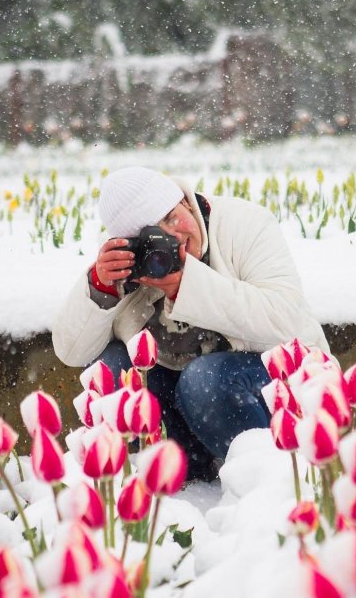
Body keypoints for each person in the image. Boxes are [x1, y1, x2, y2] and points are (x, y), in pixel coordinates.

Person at [52, 166, 330, 480]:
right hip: (179, 403)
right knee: (112, 370)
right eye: (152, 236)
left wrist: (184, 286)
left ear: (186, 200)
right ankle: (181, 474)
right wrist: (100, 287)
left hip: (266, 381)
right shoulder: (128, 259)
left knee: (204, 379)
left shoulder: (246, 224)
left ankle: (269, 476)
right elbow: (71, 352)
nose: (172, 239)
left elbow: (285, 321)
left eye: (172, 218)